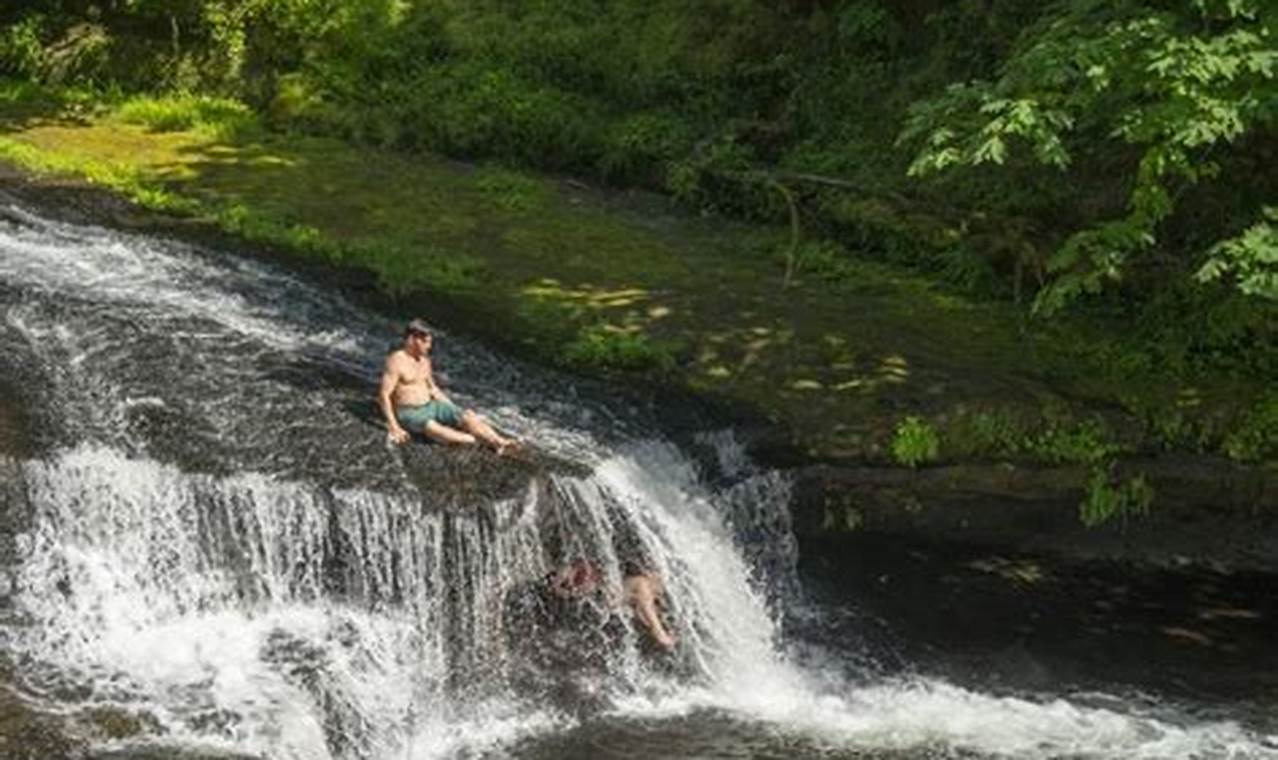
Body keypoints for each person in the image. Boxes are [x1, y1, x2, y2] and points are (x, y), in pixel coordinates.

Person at [379, 318, 518, 453]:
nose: (429, 346)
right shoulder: (396, 361)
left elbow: (433, 389)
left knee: (467, 416)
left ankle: (499, 442)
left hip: (431, 406)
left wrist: (453, 409)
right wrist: (394, 426)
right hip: (410, 412)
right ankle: (474, 440)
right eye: (426, 342)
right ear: (413, 339)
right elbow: (384, 394)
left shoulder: (424, 361)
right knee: (434, 428)